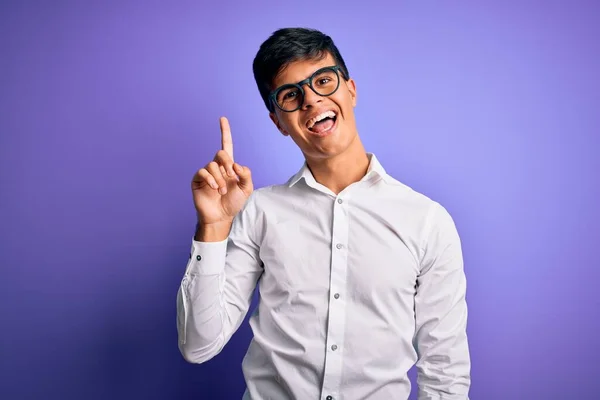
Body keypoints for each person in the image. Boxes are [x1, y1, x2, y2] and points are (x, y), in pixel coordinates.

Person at [176, 27, 471, 400]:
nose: (312, 101)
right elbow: (198, 346)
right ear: (278, 122)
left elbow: (444, 372)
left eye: (324, 81)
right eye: (291, 95)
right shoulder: (260, 212)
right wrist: (214, 227)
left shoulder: (427, 221)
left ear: (351, 89)